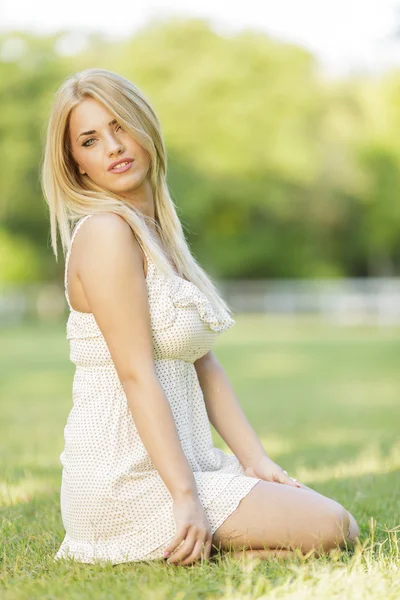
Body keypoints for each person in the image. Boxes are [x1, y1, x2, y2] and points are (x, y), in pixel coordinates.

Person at [40, 68, 360, 567]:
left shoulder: (157, 236)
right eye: (90, 140)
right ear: (77, 165)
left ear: (145, 126)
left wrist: (255, 460)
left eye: (120, 125)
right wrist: (184, 496)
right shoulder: (106, 233)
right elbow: (136, 375)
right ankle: (175, 536)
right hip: (126, 481)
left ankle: (218, 547)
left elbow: (205, 366)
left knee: (339, 524)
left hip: (184, 463)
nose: (113, 146)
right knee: (331, 526)